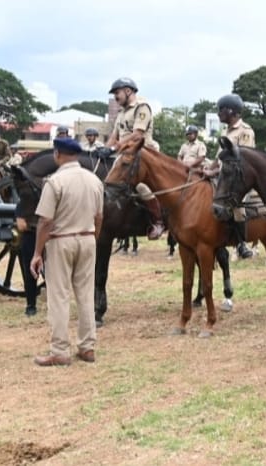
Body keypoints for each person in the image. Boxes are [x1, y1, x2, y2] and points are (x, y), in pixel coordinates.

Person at [30, 137, 104, 366]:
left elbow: (45, 221)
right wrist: (93, 237)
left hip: (61, 241)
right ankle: (87, 346)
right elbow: (99, 217)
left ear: (57, 154)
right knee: (85, 294)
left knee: (59, 296)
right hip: (87, 239)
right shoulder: (94, 181)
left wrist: (37, 252)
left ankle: (60, 350)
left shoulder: (55, 181)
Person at [103, 77, 165, 240]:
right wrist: (103, 150)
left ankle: (158, 221)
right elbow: (114, 136)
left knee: (141, 186)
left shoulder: (142, 107)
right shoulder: (121, 113)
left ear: (128, 91)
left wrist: (114, 147)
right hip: (123, 154)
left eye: (117, 92)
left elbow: (137, 134)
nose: (115, 96)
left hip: (142, 153)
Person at [213, 93, 257, 259]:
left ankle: (241, 244)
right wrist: (208, 169)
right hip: (223, 176)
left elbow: (245, 158)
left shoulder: (245, 131)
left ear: (231, 111)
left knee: (236, 205)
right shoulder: (226, 131)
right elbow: (219, 158)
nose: (218, 114)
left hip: (238, 179)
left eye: (221, 110)